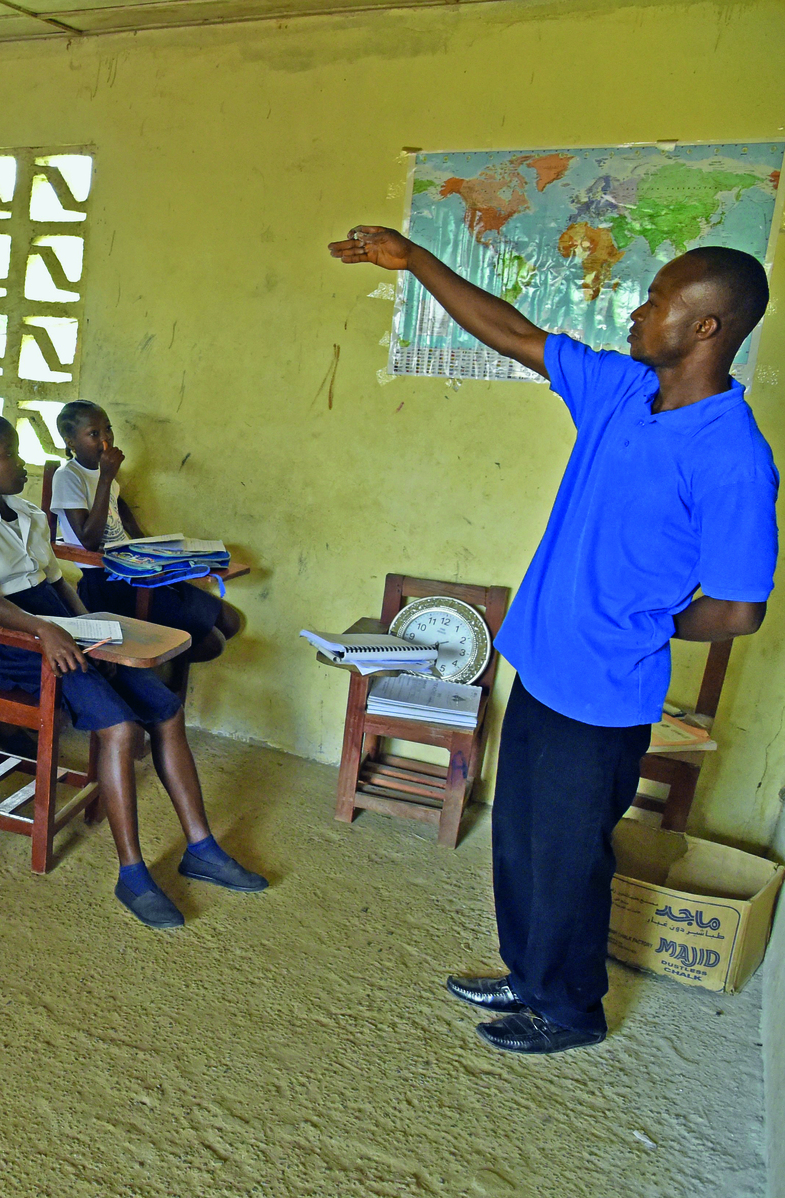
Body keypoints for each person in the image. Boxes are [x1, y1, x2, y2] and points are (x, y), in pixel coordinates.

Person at [331, 227, 778, 1053]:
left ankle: (570, 1010)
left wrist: (646, 622)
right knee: (522, 841)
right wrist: (416, 260)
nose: (637, 312)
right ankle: (526, 972)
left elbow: (740, 609)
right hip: (539, 666)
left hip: (604, 698)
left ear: (708, 327)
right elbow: (509, 332)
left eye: (658, 301)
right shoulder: (621, 391)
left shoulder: (732, 457)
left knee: (571, 865)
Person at [0, 413, 267, 928]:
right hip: (16, 642)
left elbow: (58, 582)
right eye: (11, 455)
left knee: (165, 708)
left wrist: (93, 627)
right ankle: (132, 873)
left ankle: (201, 847)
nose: (23, 464)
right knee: (119, 726)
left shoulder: (25, 512)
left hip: (66, 629)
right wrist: (47, 633)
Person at [50, 400, 242, 670]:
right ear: (70, 441)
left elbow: (120, 507)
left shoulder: (105, 475)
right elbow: (89, 541)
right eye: (94, 434)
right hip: (106, 583)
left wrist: (145, 541)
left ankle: (149, 663)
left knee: (230, 621)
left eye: (108, 429)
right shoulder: (69, 476)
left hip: (135, 571)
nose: (105, 438)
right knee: (212, 643)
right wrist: (105, 478)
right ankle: (143, 667)